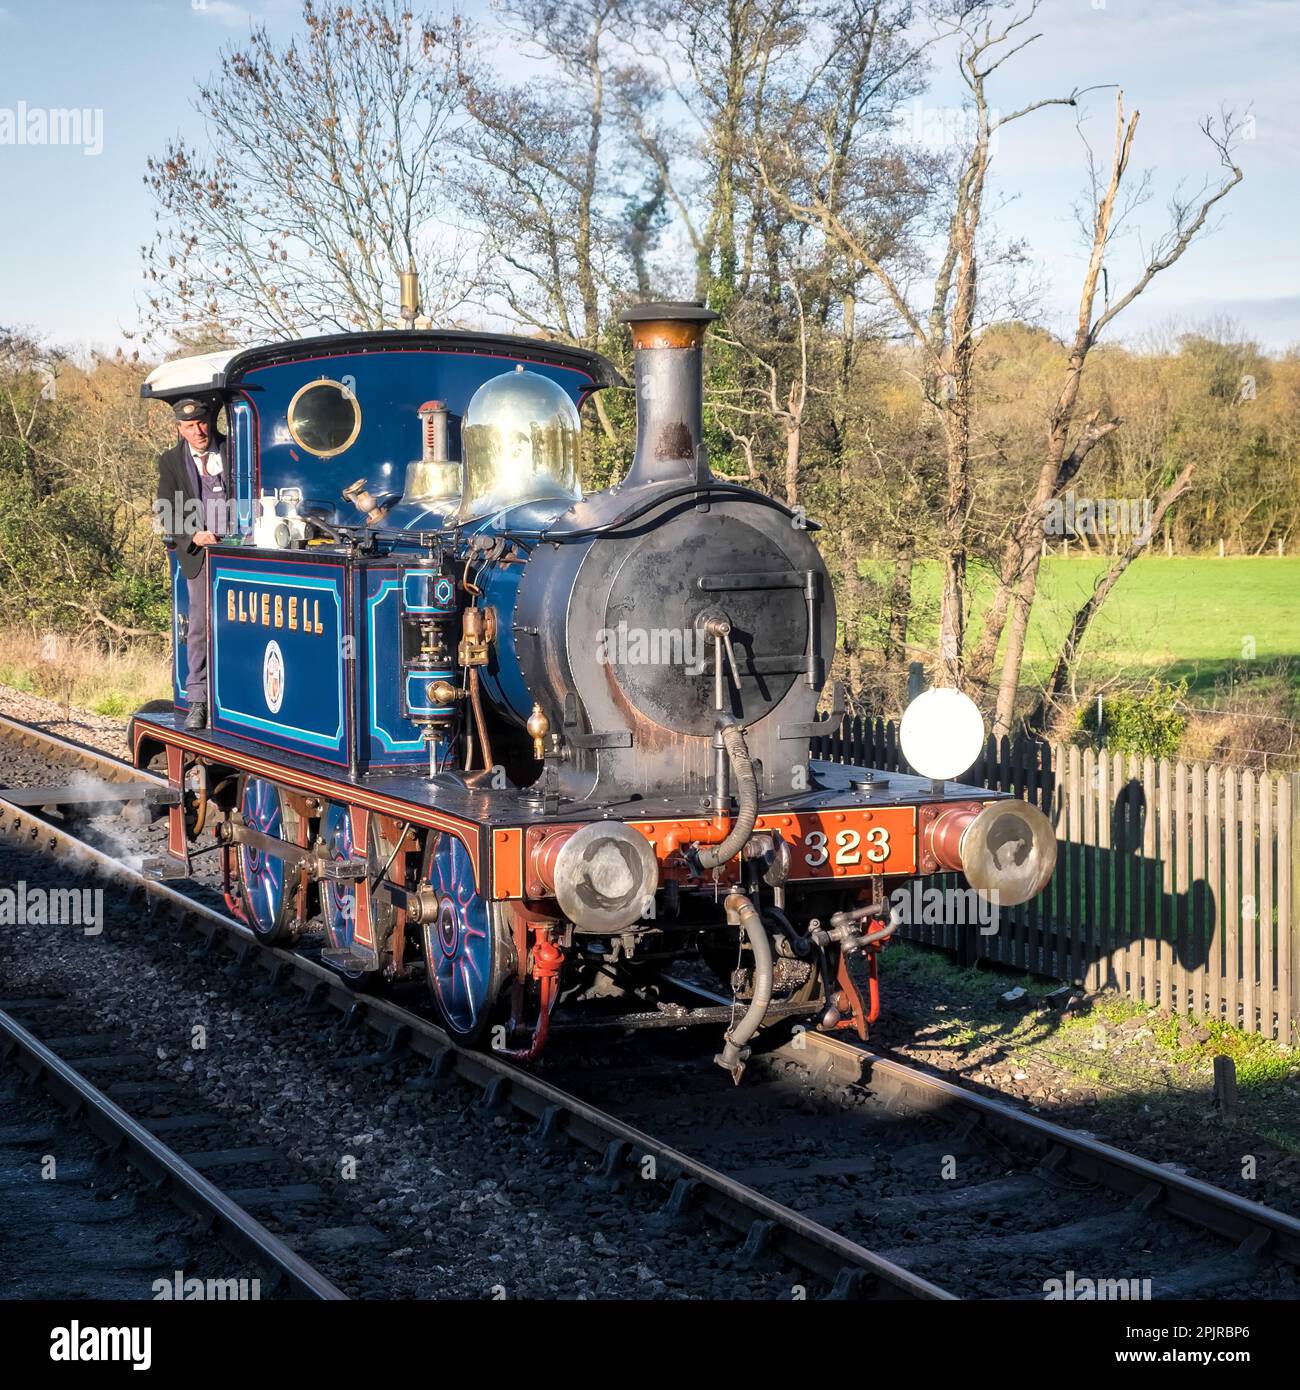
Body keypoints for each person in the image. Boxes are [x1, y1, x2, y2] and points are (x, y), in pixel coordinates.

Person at [155, 398, 231, 730]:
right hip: (200, 556)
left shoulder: (234, 450)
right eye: (189, 426)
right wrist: (193, 535)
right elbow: (167, 509)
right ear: (179, 429)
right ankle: (198, 700)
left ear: (209, 422)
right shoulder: (171, 461)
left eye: (201, 423)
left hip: (238, 551)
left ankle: (234, 696)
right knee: (199, 626)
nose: (198, 431)